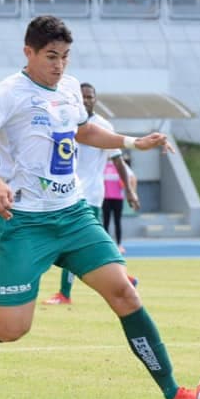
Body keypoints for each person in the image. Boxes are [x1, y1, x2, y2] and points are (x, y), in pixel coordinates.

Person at [0, 15, 198, 399]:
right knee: (12, 329)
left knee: (125, 294)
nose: (59, 65)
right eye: (51, 56)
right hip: (26, 223)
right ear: (28, 53)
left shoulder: (68, 88)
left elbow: (84, 132)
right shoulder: (5, 94)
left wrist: (134, 140)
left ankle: (172, 391)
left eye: (65, 56)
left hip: (74, 216)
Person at [42, 82, 139, 305]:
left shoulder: (103, 125)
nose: (86, 100)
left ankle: (65, 294)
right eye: (82, 97)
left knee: (73, 243)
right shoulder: (66, 120)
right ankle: (124, 278)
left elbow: (119, 162)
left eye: (89, 96)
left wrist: (131, 192)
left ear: (95, 99)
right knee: (88, 244)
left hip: (91, 195)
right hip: (66, 192)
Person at [103, 151, 136, 253]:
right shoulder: (102, 164)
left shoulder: (120, 165)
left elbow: (132, 178)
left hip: (118, 198)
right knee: (106, 222)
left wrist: (133, 192)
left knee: (117, 222)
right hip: (105, 198)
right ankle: (106, 245)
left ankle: (119, 245)